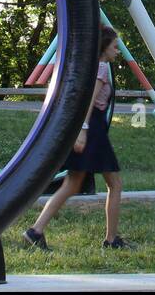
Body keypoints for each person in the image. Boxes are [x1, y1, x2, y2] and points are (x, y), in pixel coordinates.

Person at [24, 26, 132, 250]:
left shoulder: (92, 68)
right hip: (93, 131)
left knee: (72, 184)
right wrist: (82, 132)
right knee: (115, 184)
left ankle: (35, 231)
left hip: (90, 129)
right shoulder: (101, 70)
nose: (117, 51)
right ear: (104, 48)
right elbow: (89, 103)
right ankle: (111, 240)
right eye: (114, 46)